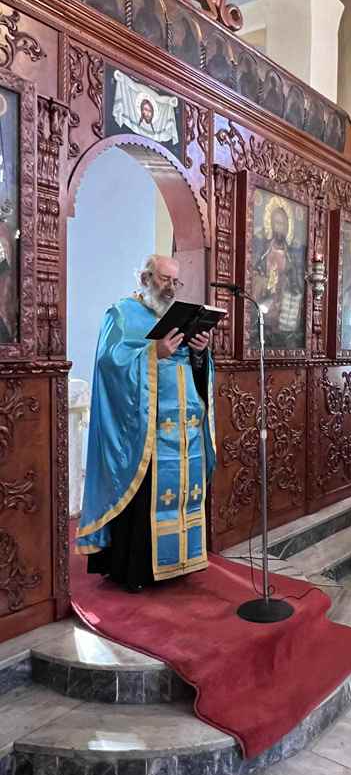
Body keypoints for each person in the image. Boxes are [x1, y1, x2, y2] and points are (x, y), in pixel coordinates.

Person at [76, 254, 216, 593]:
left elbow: (193, 368)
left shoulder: (178, 317)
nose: (171, 288)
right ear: (145, 278)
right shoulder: (121, 313)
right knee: (145, 496)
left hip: (184, 429)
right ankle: (137, 570)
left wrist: (199, 352)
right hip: (145, 431)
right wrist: (153, 353)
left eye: (175, 282)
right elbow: (109, 364)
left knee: (182, 492)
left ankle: (180, 561)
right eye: (165, 279)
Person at [253, 204, 304, 349]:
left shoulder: (291, 255)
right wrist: (263, 281)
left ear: (287, 227)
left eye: (282, 224)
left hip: (284, 304)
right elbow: (254, 271)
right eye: (276, 223)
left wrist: (291, 284)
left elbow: (297, 282)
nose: (279, 228)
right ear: (271, 224)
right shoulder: (264, 250)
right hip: (266, 300)